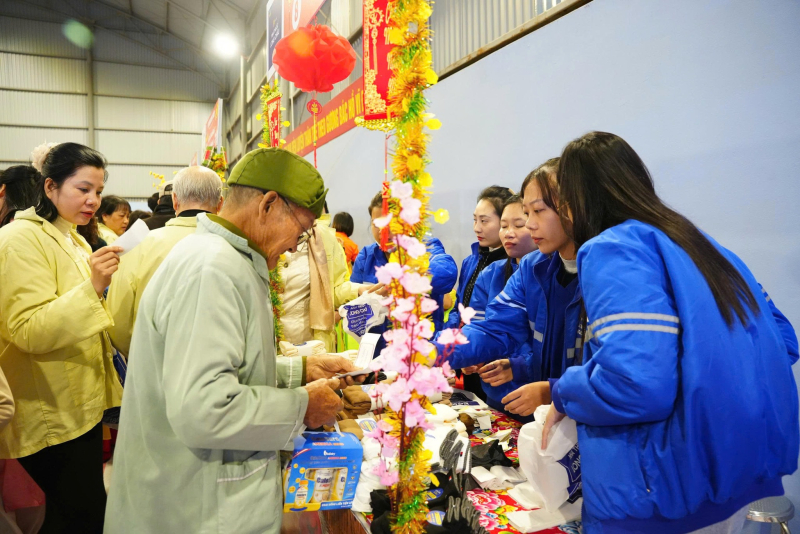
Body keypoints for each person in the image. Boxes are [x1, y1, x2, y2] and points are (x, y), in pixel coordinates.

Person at [543, 132, 799, 534]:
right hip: (733, 476)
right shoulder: (703, 245)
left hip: (660, 491)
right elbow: (782, 341)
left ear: (575, 198)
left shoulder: (614, 248)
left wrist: (565, 391)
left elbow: (635, 384)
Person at [104, 148, 363, 533]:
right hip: (195, 509)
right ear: (268, 205)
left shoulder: (227, 259)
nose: (297, 245)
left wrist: (301, 370)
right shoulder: (212, 270)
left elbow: (224, 366)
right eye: (302, 230)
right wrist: (302, 407)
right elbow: (206, 407)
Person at [0, 142, 123, 533]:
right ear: (50, 186)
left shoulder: (73, 237)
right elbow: (28, 329)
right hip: (49, 411)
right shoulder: (19, 239)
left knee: (76, 512)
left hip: (77, 405)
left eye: (98, 191)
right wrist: (94, 286)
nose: (93, 200)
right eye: (83, 189)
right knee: (79, 514)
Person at [443, 159, 582, 417]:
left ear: (573, 208)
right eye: (527, 214)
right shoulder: (532, 267)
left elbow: (617, 375)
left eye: (537, 212)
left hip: (580, 415)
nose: (529, 225)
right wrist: (435, 351)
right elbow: (494, 329)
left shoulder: (603, 269)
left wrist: (548, 388)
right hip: (535, 408)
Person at [107, 166, 224, 357]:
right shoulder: (233, 247)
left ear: (175, 201)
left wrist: (141, 355)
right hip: (217, 364)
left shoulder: (139, 244)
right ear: (220, 204)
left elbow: (117, 322)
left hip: (150, 361)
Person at [464, 195, 539, 417]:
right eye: (504, 226)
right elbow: (479, 328)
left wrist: (519, 365)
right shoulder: (491, 274)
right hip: (496, 394)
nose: (508, 233)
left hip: (536, 395)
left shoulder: (547, 277)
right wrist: (471, 355)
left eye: (519, 225)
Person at [351, 192, 458, 334]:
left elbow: (447, 271)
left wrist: (404, 281)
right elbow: (353, 298)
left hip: (419, 342)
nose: (382, 231)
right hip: (377, 343)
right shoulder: (366, 257)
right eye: (376, 224)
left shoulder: (424, 247)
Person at [446, 186, 513, 398]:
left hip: (493, 363)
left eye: (484, 221)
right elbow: (459, 308)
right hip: (466, 357)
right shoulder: (471, 261)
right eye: (475, 220)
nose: (477, 228)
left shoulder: (510, 266)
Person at [280, 218, 378, 353]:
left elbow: (336, 287)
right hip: (269, 339)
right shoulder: (264, 234)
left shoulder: (326, 238)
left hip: (313, 343)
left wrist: (358, 289)